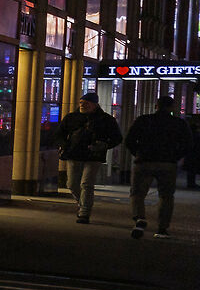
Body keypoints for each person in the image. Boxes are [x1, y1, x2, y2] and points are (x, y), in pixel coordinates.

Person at [124, 92, 191, 238]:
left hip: (144, 162)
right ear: (172, 107)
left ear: (156, 106)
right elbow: (187, 144)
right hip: (167, 163)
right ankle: (162, 228)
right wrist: (175, 157)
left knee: (137, 193)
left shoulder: (143, 120)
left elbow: (129, 140)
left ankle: (139, 218)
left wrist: (138, 153)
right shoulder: (179, 123)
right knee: (166, 196)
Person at [58, 90, 122, 224]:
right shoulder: (71, 118)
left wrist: (103, 145)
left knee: (86, 184)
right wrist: (64, 145)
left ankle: (84, 212)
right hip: (74, 154)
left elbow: (117, 138)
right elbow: (60, 134)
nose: (82, 105)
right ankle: (82, 204)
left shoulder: (106, 120)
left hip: (94, 156)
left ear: (95, 105)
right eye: (81, 102)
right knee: (71, 184)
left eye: (86, 103)